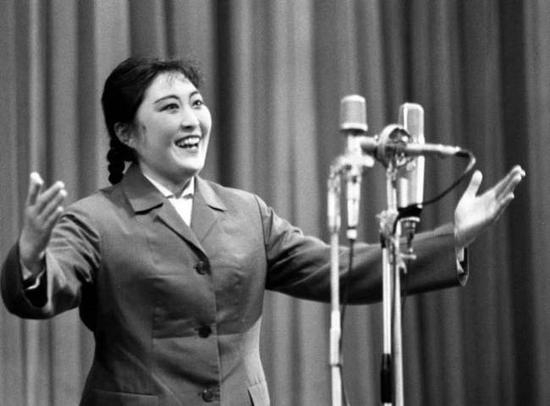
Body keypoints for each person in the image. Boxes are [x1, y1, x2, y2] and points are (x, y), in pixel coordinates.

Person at [1, 57, 525, 406]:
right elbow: (46, 286)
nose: (191, 120)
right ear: (126, 133)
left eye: (196, 103)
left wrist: (452, 238)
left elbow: (338, 270)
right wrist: (29, 258)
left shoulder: (245, 212)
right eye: (169, 108)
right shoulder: (95, 219)